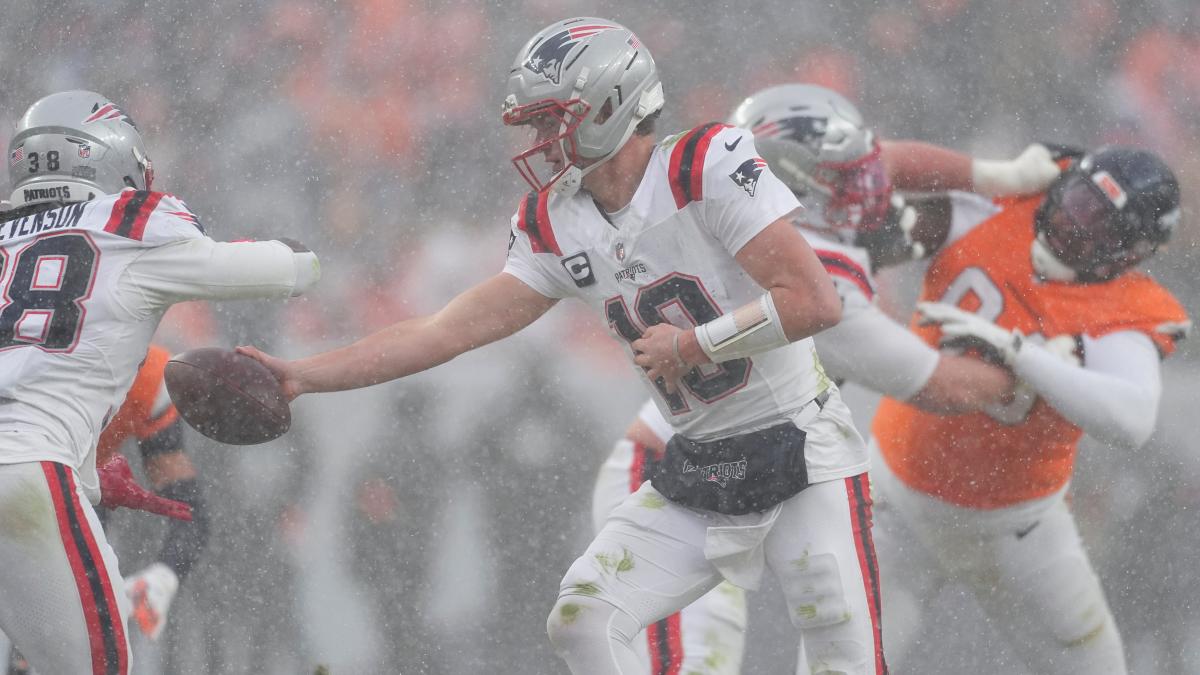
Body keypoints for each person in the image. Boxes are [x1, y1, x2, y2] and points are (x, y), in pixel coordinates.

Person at [239, 17, 885, 674]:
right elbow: (441, 332)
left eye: (553, 121)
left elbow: (814, 300)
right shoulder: (555, 222)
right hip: (701, 464)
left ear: (609, 104)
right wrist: (302, 376)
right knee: (584, 619)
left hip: (800, 450)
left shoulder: (703, 166)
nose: (541, 141)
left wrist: (694, 344)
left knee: (841, 652)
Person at [593, 82, 1063, 674]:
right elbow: (946, 387)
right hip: (681, 481)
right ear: (801, 181)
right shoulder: (821, 282)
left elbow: (887, 160)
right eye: (847, 176)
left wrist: (998, 175)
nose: (870, 186)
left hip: (763, 471)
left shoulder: (767, 223)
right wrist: (1034, 366)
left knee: (843, 644)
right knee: (699, 664)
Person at [0, 90, 319, 675]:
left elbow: (189, 505)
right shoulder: (132, 226)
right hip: (27, 470)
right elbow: (296, 269)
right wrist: (289, 255)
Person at [870, 145, 1188, 673]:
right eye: (1079, 205)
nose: (1074, 227)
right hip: (894, 499)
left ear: (1132, 253)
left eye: (1103, 229)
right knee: (845, 659)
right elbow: (869, 183)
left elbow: (1132, 420)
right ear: (1063, 182)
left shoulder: (1128, 311)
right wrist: (984, 173)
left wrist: (1024, 356)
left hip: (1019, 528)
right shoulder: (1005, 202)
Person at [94, 344, 208, 642]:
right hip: (51, 484)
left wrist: (163, 575)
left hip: (72, 486)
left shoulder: (148, 375)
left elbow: (187, 509)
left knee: (83, 617)